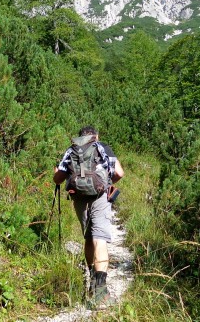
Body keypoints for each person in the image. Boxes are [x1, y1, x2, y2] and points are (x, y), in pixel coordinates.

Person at [53, 126, 125, 308]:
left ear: (80, 137)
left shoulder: (71, 150)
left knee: (88, 237)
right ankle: (100, 292)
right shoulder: (103, 148)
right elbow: (119, 173)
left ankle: (92, 276)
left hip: (79, 198)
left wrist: (57, 172)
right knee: (99, 239)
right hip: (100, 196)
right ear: (96, 136)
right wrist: (106, 182)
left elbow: (58, 179)